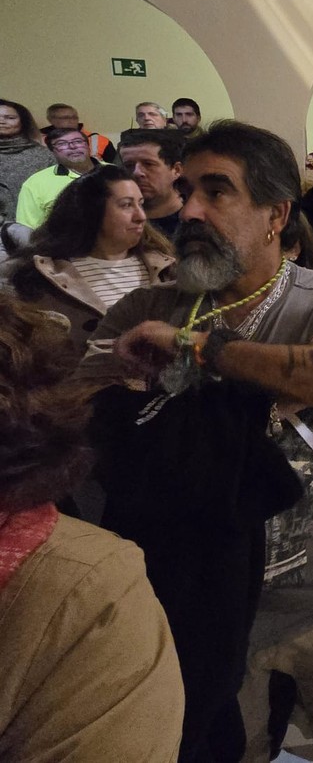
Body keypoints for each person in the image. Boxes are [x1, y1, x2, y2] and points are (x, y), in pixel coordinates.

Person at [77, 121, 313, 761]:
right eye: (186, 188)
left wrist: (194, 353)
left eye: (216, 191)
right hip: (202, 592)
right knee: (232, 748)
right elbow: (84, 425)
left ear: (277, 213)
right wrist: (283, 385)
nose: (186, 208)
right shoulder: (143, 311)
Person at [0, 293, 185, 763]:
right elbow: (81, 381)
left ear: (277, 218)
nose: (192, 214)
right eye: (126, 208)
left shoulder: (86, 592)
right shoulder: (133, 303)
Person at [4, 168, 176, 349]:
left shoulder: (167, 267)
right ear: (92, 211)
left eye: (141, 204)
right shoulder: (36, 276)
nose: (141, 217)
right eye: (126, 205)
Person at [15, 127, 105, 227]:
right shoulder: (35, 183)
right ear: (52, 151)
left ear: (88, 146)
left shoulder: (114, 172)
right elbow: (28, 228)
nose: (72, 146)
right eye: (61, 144)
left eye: (78, 141)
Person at [119, 129, 186, 239]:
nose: (137, 172)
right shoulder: (116, 221)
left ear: (176, 170)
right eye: (129, 165)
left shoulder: (194, 220)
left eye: (148, 164)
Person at [0, 99, 54, 223]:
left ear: (23, 123)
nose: (2, 121)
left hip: (34, 227)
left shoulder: (43, 156)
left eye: (10, 118)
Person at [42, 102, 118, 163]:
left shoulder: (99, 140)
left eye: (74, 117)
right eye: (65, 118)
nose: (71, 121)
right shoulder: (40, 141)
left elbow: (114, 167)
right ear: (51, 120)